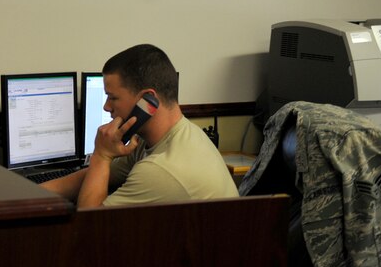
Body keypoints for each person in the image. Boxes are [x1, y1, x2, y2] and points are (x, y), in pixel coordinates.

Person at [42, 44, 238, 207]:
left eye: (112, 98)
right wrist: (32, 193)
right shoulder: (162, 138)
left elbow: (91, 227)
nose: (106, 107)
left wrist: (101, 156)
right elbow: (95, 176)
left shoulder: (161, 170)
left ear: (147, 101)